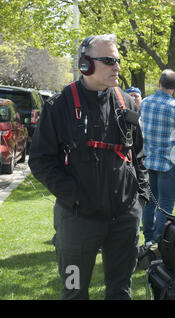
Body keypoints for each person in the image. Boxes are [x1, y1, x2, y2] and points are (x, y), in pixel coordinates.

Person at [28, 34, 149, 300]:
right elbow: (39, 160)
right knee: (74, 291)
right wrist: (74, 196)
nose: (117, 66)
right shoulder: (59, 106)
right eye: (109, 61)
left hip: (124, 218)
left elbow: (138, 155)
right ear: (86, 65)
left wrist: (141, 197)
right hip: (77, 220)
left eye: (117, 60)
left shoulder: (126, 103)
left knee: (120, 291)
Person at [139, 69, 175, 245]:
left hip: (148, 161)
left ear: (158, 83)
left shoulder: (145, 103)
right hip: (169, 164)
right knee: (166, 205)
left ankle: (148, 239)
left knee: (149, 202)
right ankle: (157, 241)